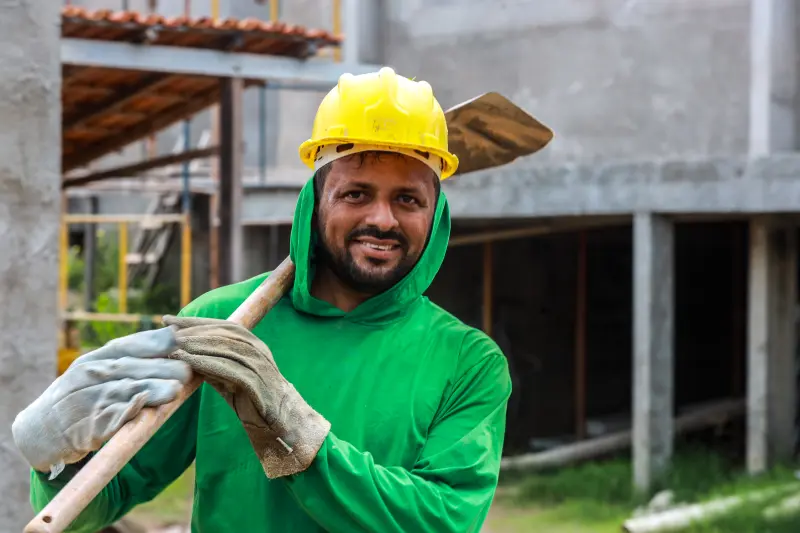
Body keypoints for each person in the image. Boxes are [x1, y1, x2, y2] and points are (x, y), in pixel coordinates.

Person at [12, 67, 513, 532]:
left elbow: (443, 519)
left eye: (407, 199)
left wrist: (297, 437)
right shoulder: (222, 325)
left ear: (436, 214)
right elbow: (99, 500)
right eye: (356, 193)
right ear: (315, 201)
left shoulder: (468, 363)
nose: (382, 219)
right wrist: (57, 458)